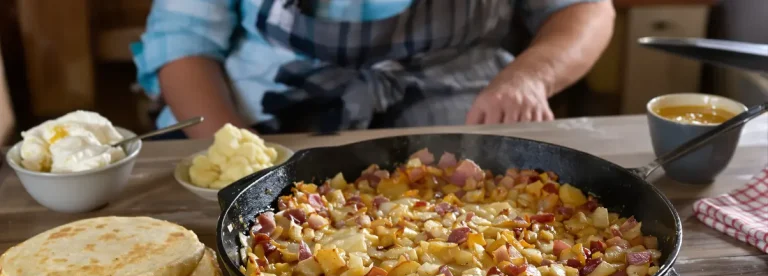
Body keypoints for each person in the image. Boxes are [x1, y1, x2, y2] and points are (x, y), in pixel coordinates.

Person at [133, 0, 614, 138]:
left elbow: (586, 11)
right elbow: (183, 41)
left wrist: (530, 77)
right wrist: (234, 155)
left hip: (463, 127)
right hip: (265, 126)